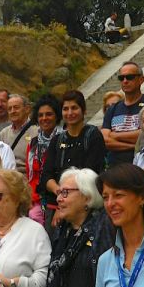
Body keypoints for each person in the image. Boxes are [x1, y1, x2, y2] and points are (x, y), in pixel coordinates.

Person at [39, 90, 105, 230]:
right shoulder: (57, 140)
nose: (70, 113)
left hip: (83, 205)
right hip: (56, 203)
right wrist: (61, 195)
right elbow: (46, 175)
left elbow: (89, 173)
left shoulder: (93, 136)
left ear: (84, 110)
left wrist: (66, 200)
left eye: (74, 108)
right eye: (65, 109)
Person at [101, 62, 144, 166]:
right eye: (121, 78)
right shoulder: (112, 109)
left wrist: (114, 135)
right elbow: (105, 140)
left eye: (129, 77)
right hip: (116, 168)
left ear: (141, 79)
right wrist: (134, 146)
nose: (125, 81)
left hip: (143, 166)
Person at [26, 95, 61, 223]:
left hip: (58, 198)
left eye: (49, 114)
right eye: (40, 115)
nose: (44, 118)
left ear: (57, 116)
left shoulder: (63, 139)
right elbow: (30, 174)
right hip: (36, 200)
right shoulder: (33, 143)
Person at [0, 94, 37, 175]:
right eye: (9, 109)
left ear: (27, 109)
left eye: (16, 107)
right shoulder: (3, 134)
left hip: (28, 178)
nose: (12, 111)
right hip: (6, 177)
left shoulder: (37, 132)